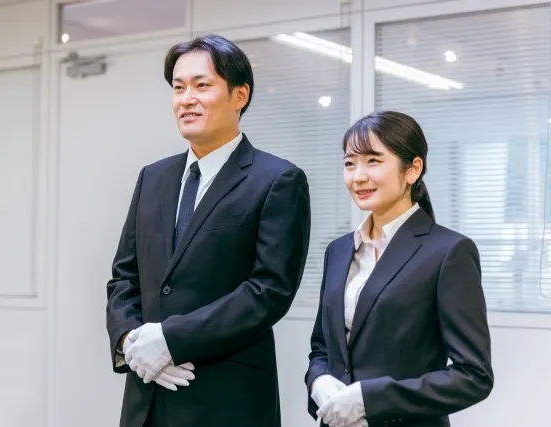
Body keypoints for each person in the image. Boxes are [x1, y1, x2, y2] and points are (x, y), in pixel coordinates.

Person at [106, 34, 312, 427]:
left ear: (240, 95)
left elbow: (268, 292)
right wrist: (131, 340)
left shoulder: (277, 180)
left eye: (201, 85)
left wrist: (170, 340)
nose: (186, 99)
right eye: (178, 88)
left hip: (225, 398)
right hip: (147, 395)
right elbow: (124, 277)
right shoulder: (152, 177)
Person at [304, 111, 494, 427]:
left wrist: (370, 400)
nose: (358, 176)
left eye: (373, 161)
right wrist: (318, 381)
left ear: (413, 169)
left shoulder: (448, 251)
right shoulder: (338, 250)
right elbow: (322, 348)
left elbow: (473, 376)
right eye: (350, 163)